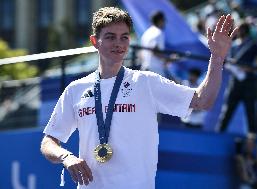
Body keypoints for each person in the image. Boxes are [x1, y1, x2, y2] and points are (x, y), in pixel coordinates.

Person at [40, 7, 237, 189]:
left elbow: (203, 100)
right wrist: (66, 157)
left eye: (124, 37)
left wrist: (217, 58)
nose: (119, 43)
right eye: (110, 37)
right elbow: (49, 141)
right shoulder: (76, 89)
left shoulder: (146, 82)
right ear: (94, 42)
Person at [216, 21, 257, 135]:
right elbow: (228, 64)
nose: (236, 31)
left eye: (239, 29)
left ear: (244, 31)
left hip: (249, 86)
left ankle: (252, 144)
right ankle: (218, 136)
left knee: (251, 116)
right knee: (226, 113)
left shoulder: (254, 46)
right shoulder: (233, 45)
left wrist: (241, 67)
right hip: (234, 84)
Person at [140, 10, 168, 76]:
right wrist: (169, 59)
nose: (165, 22)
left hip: (145, 68)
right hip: (155, 71)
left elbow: (141, 53)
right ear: (160, 20)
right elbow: (155, 51)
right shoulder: (158, 32)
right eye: (164, 20)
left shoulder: (146, 33)